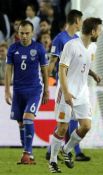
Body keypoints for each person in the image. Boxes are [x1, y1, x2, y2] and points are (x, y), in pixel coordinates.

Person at [48, 17, 102, 173]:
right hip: (67, 91)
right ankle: (52, 161)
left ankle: (66, 150)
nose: (100, 33)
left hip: (82, 93)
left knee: (86, 126)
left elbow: (83, 65)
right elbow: (62, 70)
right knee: (62, 128)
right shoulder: (71, 46)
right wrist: (66, 92)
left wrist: (93, 74)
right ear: (92, 31)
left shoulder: (93, 48)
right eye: (99, 30)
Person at [4, 20, 49, 164]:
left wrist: (47, 89)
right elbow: (8, 69)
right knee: (21, 124)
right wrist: (7, 90)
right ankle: (29, 155)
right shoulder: (12, 49)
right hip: (18, 90)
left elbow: (44, 70)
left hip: (34, 89)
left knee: (28, 117)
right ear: (18, 33)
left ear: (32, 33)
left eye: (27, 33)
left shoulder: (39, 48)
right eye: (21, 33)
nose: (24, 36)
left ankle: (26, 153)